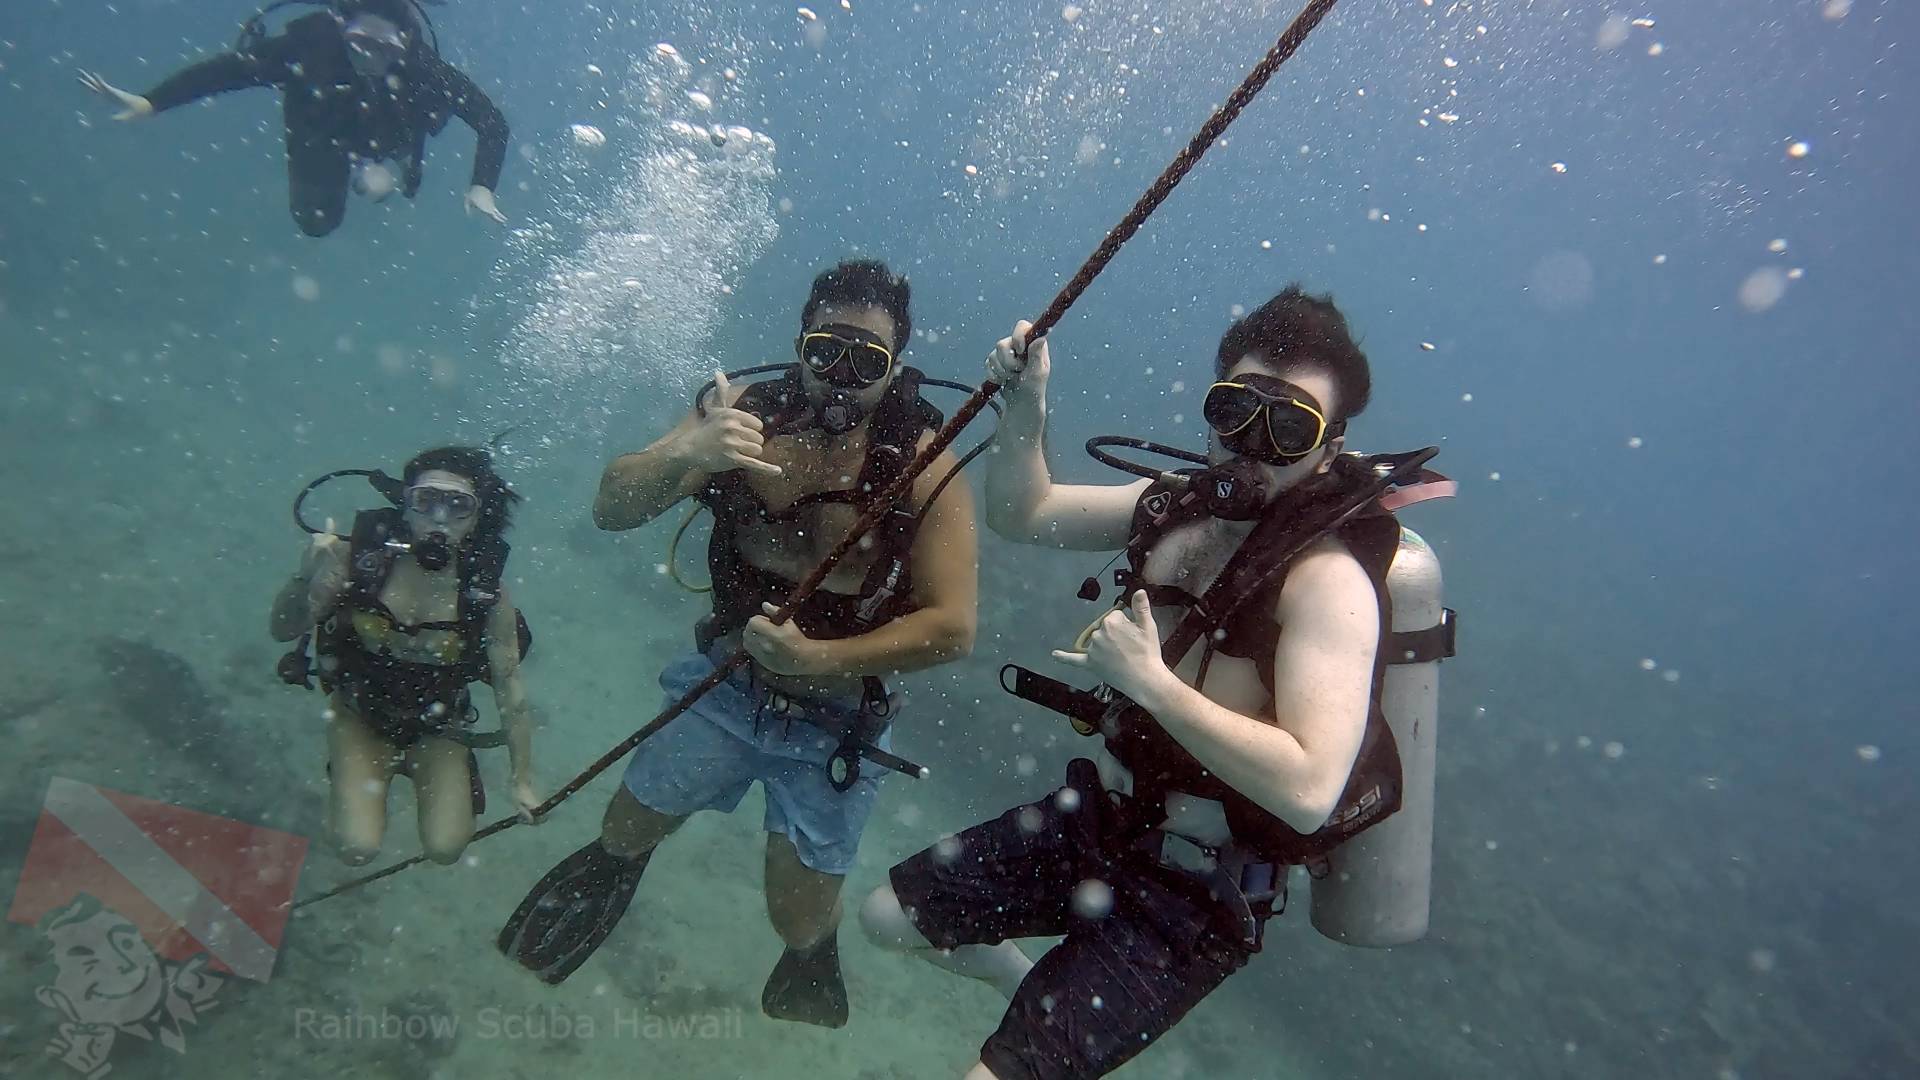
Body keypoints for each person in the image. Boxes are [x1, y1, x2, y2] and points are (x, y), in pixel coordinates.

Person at [861, 287, 1416, 1079]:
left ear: (1329, 450)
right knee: (886, 917)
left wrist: (1153, 686)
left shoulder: (1326, 585)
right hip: (1103, 819)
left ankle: (1039, 1047)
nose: (1252, 446)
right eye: (1235, 411)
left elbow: (1310, 789)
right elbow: (1027, 513)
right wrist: (1027, 403)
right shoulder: (1172, 510)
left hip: (1197, 891)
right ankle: (1033, 996)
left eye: (1288, 427)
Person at [497, 259, 979, 1030]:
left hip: (839, 718)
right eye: (827, 352)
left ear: (894, 373)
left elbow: (954, 627)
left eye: (869, 362)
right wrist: (689, 456)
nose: (842, 380)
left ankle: (809, 963)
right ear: (799, 346)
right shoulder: (741, 417)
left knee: (794, 914)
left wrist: (820, 660)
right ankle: (602, 885)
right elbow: (611, 509)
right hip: (724, 680)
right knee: (626, 826)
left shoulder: (923, 462)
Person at [270, 446, 541, 866]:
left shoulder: (485, 594)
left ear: (476, 517)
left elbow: (510, 689)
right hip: (359, 714)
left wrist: (522, 781)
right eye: (425, 501)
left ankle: (430, 775)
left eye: (458, 506)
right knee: (356, 848)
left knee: (446, 849)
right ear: (404, 502)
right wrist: (305, 575)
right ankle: (354, 771)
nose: (439, 520)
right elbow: (282, 630)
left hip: (439, 726)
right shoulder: (356, 562)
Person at [78, 0, 509, 237]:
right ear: (342, 29)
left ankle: (374, 169)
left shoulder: (422, 67)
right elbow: (225, 71)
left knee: (398, 142)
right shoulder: (308, 48)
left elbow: (491, 120)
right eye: (361, 45)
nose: (371, 60)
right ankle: (363, 171)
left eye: (386, 51)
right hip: (319, 130)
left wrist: (481, 186)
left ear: (405, 45)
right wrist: (151, 102)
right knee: (316, 223)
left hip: (387, 130)